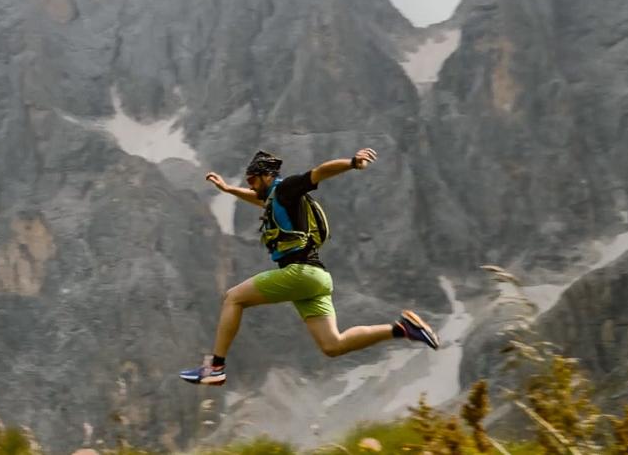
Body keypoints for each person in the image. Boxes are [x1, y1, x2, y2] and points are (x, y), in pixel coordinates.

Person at [179, 148, 439, 386]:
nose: (251, 185)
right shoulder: (276, 199)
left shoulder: (287, 189)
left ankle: (216, 367)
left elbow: (320, 172)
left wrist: (352, 162)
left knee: (233, 298)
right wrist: (228, 189)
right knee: (333, 345)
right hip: (317, 278)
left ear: (267, 176)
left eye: (253, 180)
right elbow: (257, 199)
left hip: (300, 272)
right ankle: (403, 329)